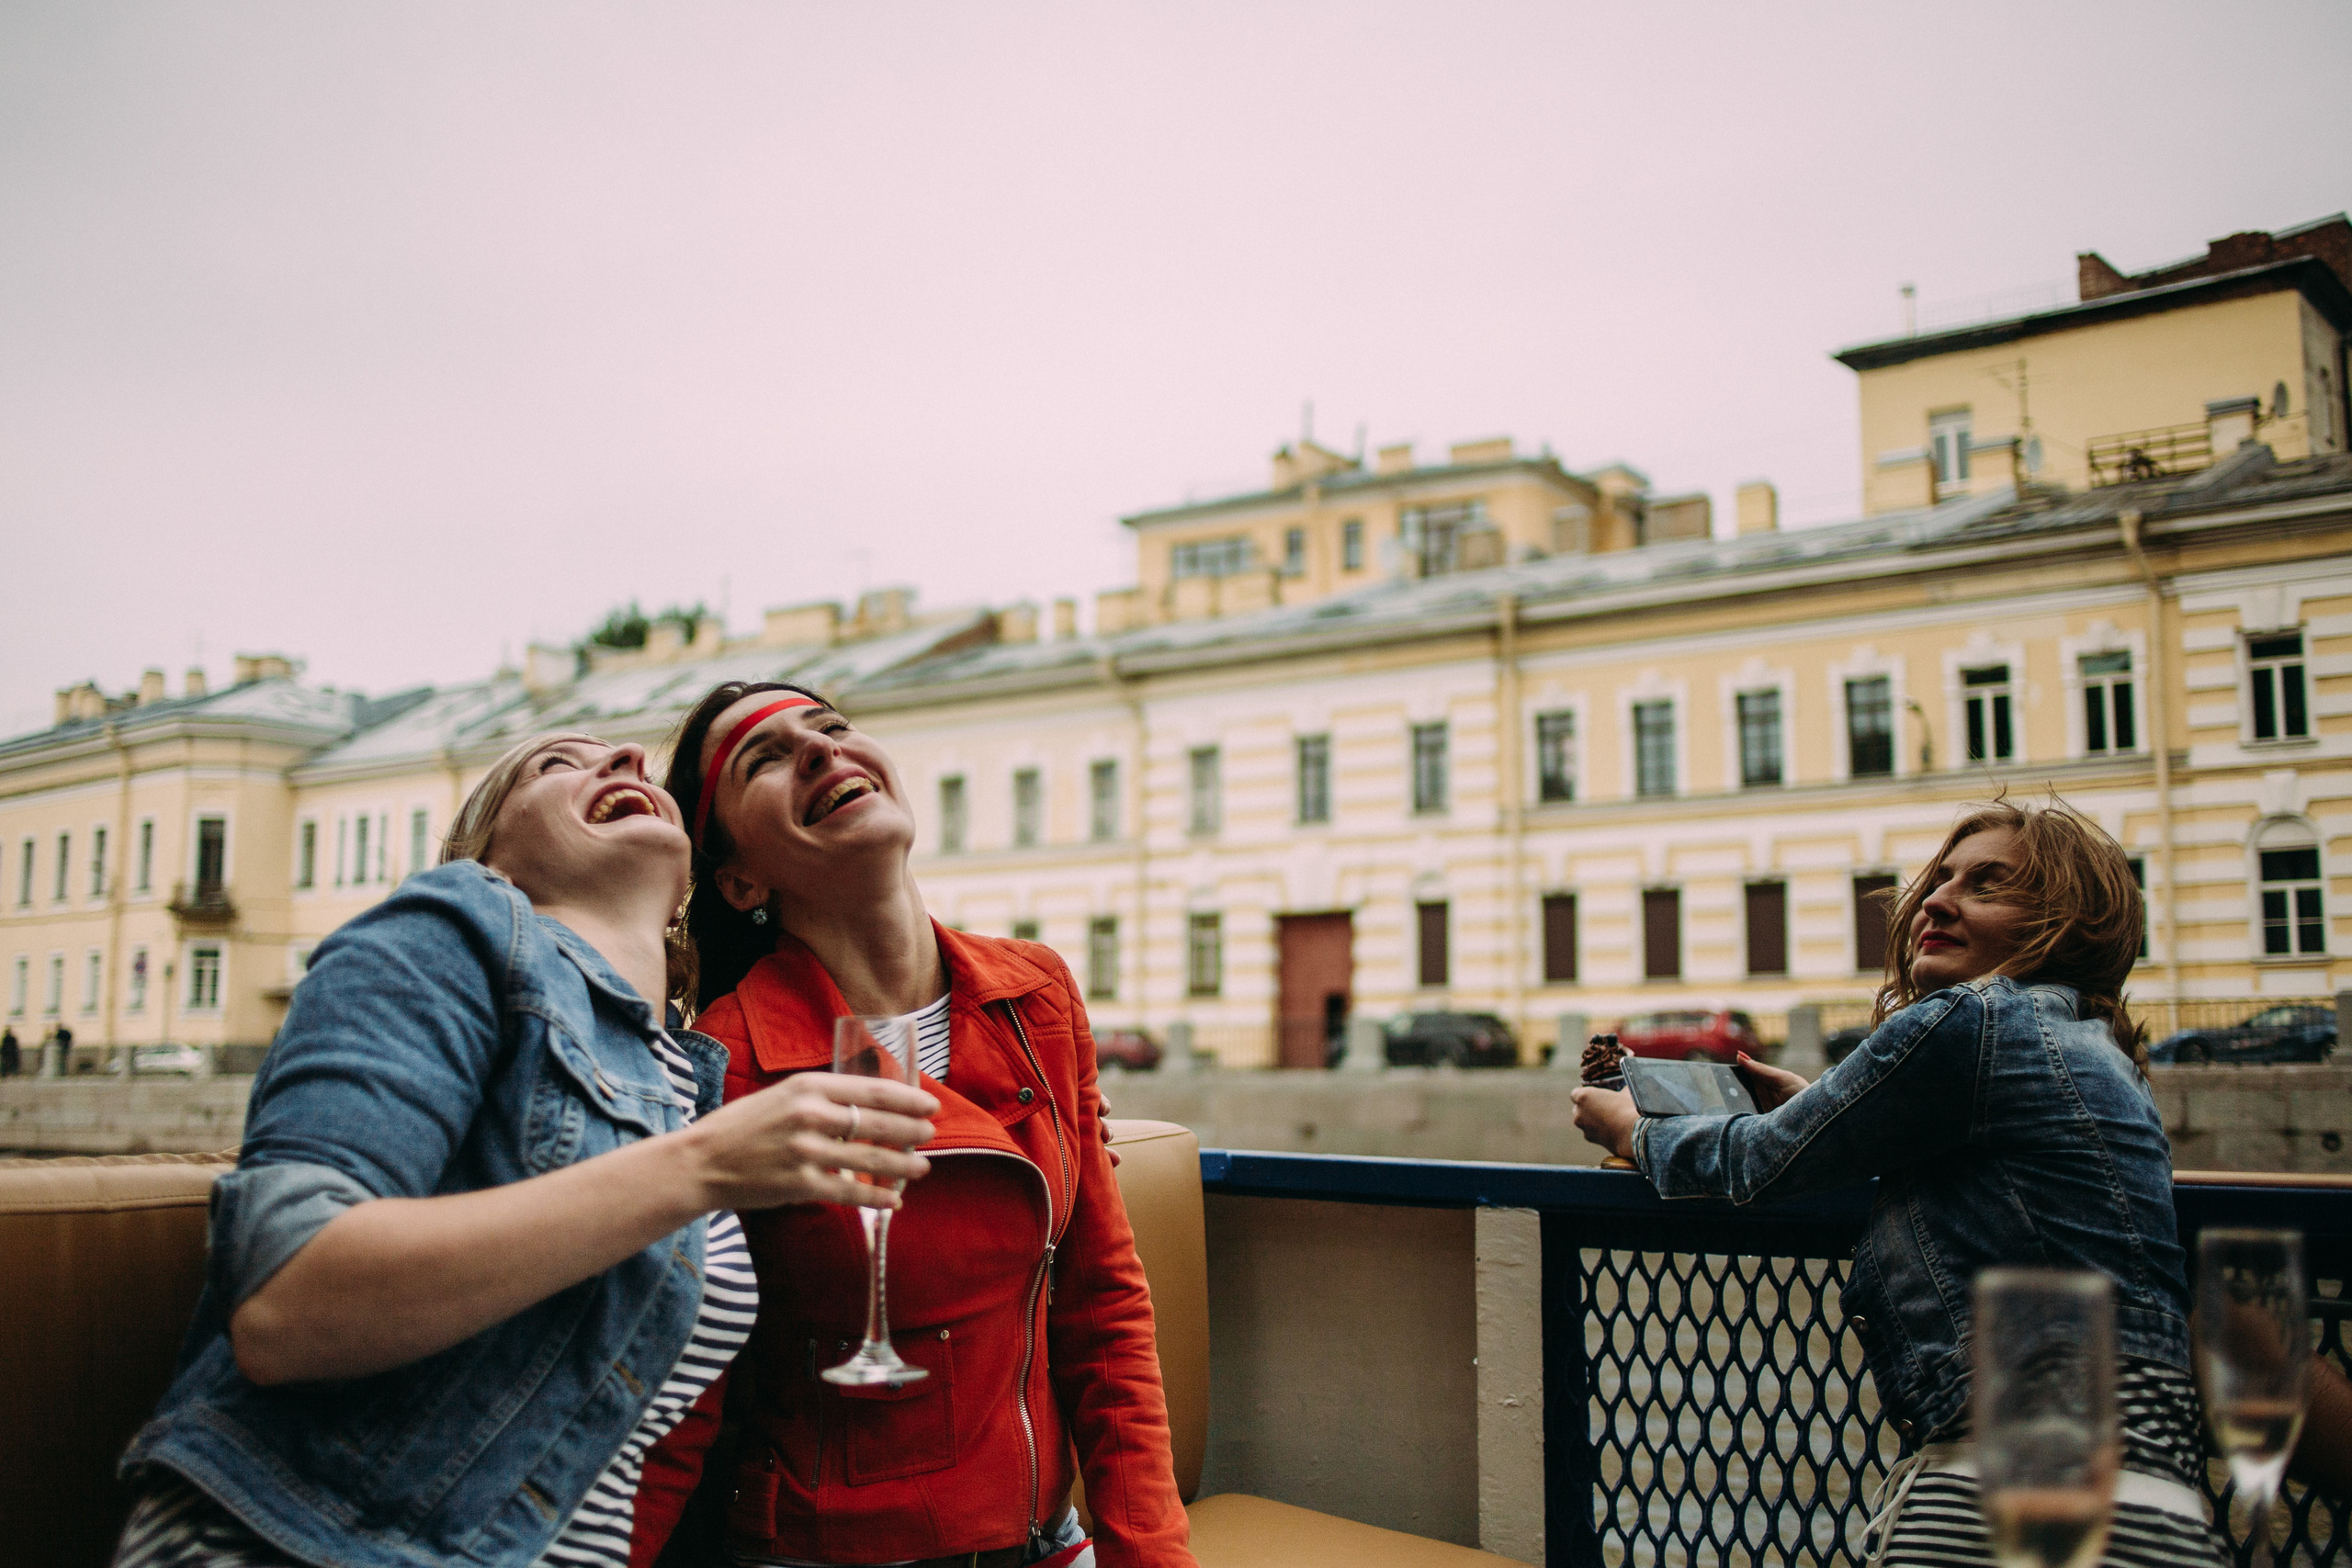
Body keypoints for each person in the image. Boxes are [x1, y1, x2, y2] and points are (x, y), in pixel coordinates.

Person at [113, 732, 938, 1568]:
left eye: (636, 766)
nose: (622, 756)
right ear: (491, 853)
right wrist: (703, 1166)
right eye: (556, 765)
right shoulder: (445, 928)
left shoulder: (684, 1077)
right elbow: (285, 1304)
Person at [1572, 799, 2224, 1568]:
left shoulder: (1969, 1020)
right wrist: (1828, 1110)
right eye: (1941, 878)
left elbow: (1752, 1163)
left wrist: (1631, 1130)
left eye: (1987, 885)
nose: (1937, 899)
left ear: (2067, 922)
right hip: (2156, 1497)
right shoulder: (2091, 1044)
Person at [641, 682, 1194, 1568]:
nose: (820, 751)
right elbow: (681, 1392)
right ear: (740, 877)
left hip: (1045, 1543)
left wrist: (1151, 1554)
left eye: (829, 727)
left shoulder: (1035, 994)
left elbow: (1102, 1307)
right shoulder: (726, 1066)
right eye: (767, 757)